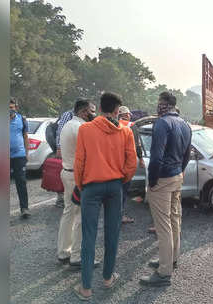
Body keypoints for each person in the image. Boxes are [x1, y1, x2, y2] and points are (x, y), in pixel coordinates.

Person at [73, 92, 137, 300]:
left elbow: (79, 162)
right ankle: (108, 278)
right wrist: (122, 180)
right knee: (112, 233)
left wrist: (81, 185)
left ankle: (86, 288)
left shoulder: (85, 129)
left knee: (89, 236)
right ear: (117, 111)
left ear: (100, 108)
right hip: (115, 186)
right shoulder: (125, 132)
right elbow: (132, 163)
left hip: (91, 187)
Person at [139, 92, 192, 287]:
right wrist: (181, 171)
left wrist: (152, 181)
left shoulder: (162, 123)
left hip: (162, 178)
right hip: (177, 176)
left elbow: (156, 157)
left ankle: (164, 272)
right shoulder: (185, 124)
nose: (157, 106)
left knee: (163, 225)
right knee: (175, 219)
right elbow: (187, 154)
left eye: (159, 103)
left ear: (164, 104)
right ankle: (171, 259)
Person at [56, 99, 97, 267]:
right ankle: (77, 256)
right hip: (78, 176)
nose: (94, 114)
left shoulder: (67, 125)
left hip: (66, 172)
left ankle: (63, 252)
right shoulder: (82, 128)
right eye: (92, 111)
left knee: (68, 213)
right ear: (84, 111)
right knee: (81, 216)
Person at [118, 106, 146, 224]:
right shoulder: (131, 126)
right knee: (123, 190)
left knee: (116, 190)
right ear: (128, 115)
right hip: (127, 163)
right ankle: (120, 215)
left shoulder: (113, 124)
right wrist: (140, 158)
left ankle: (114, 213)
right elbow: (137, 145)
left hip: (114, 163)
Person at [9, 98, 30, 218]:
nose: (9, 110)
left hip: (19, 156)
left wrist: (27, 153)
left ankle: (24, 208)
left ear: (16, 108)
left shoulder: (21, 119)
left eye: (11, 107)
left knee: (21, 182)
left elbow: (25, 137)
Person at [54, 108, 74, 208]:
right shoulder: (68, 114)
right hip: (65, 149)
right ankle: (60, 199)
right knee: (64, 171)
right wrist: (58, 147)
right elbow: (60, 131)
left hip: (74, 149)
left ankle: (72, 198)